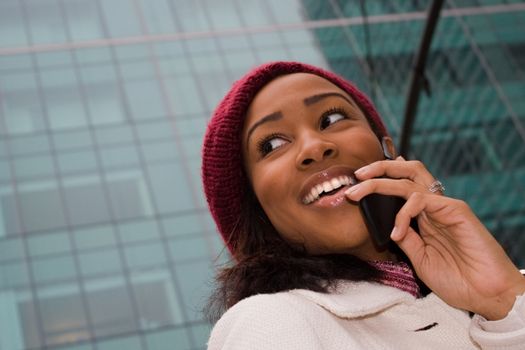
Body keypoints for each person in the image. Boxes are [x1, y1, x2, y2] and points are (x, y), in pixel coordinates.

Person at [201, 61, 525, 349]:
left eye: (332, 118)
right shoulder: (270, 320)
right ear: (255, 207)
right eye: (272, 144)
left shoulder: (502, 286)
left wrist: (504, 301)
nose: (315, 147)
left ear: (387, 148)